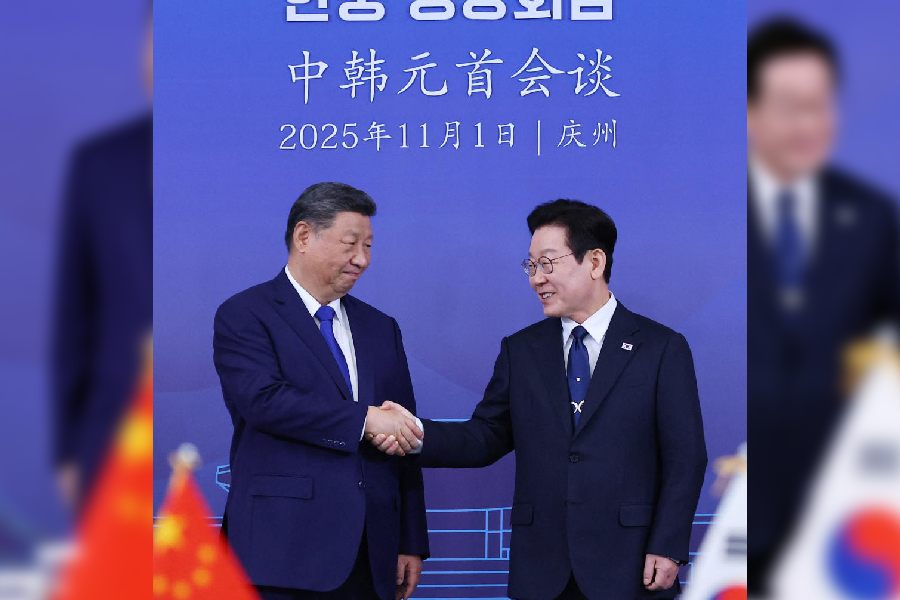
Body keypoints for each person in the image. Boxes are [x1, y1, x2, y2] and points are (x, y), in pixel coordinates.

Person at [372, 200, 707, 599]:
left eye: (547, 263)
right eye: (530, 266)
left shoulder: (661, 348)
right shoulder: (522, 350)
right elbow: (485, 437)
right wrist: (413, 433)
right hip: (543, 567)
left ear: (595, 262)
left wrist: (667, 545)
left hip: (630, 563)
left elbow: (686, 457)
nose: (536, 279)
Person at [213, 182, 429, 599]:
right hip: (283, 550)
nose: (362, 259)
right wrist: (365, 419)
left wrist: (410, 539)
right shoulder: (246, 314)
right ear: (304, 236)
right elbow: (264, 401)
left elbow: (403, 432)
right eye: (351, 244)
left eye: (368, 246)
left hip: (372, 552)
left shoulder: (380, 327)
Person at [747, 18, 900, 594]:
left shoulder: (870, 217)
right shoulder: (711, 215)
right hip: (737, 511)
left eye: (821, 105)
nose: (811, 125)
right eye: (792, 107)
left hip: (846, 519)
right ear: (750, 113)